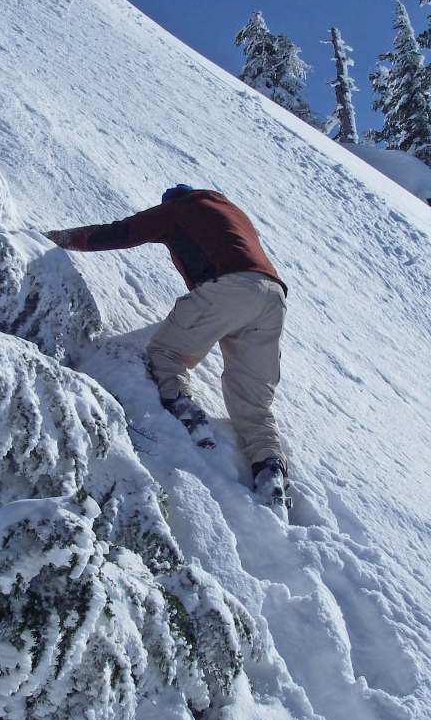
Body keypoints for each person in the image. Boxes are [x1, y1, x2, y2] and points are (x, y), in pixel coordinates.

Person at [45, 184, 289, 500]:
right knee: (253, 401)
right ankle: (270, 469)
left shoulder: (179, 209)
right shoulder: (231, 212)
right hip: (273, 299)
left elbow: (121, 232)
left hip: (230, 286)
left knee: (166, 352)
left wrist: (58, 239)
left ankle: (184, 409)